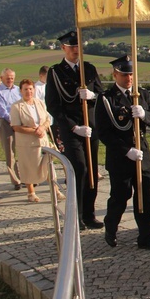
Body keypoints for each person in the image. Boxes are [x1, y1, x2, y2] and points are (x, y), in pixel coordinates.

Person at [96, 55, 150, 251]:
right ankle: (111, 226)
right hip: (121, 157)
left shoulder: (141, 95)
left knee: (144, 197)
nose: (128, 79)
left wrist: (144, 114)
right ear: (115, 74)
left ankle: (146, 236)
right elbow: (104, 133)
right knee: (120, 196)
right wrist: (126, 151)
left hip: (142, 154)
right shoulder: (106, 99)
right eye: (124, 74)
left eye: (131, 74)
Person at [45, 31, 105, 230]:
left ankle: (89, 214)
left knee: (92, 171)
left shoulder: (88, 68)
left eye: (78, 46)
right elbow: (53, 105)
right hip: (71, 130)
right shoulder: (56, 72)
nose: (75, 50)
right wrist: (73, 126)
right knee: (79, 168)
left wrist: (92, 95)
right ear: (63, 48)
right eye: (71, 47)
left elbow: (102, 95)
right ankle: (76, 214)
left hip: (91, 128)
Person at [10, 79, 53, 203]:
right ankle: (31, 192)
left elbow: (47, 120)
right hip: (27, 142)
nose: (28, 91)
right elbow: (16, 126)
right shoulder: (16, 106)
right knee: (29, 167)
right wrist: (33, 131)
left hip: (42, 140)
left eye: (30, 89)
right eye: (26, 89)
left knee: (48, 165)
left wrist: (42, 128)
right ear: (21, 91)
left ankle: (55, 189)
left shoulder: (39, 103)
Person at [0, 68, 22, 190]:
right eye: (7, 78)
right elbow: (2, 110)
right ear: (2, 78)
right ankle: (16, 180)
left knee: (23, 150)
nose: (10, 80)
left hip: (20, 122)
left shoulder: (17, 90)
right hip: (7, 122)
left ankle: (25, 177)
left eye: (12, 78)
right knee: (10, 151)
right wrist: (14, 122)